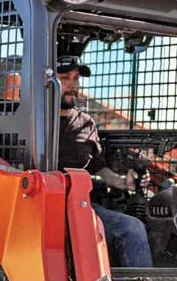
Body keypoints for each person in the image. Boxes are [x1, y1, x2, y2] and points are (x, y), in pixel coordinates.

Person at [55, 55, 153, 267]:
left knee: (132, 228)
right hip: (35, 208)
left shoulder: (85, 123)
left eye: (76, 78)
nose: (73, 85)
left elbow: (97, 167)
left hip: (78, 206)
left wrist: (121, 181)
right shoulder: (31, 118)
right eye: (64, 78)